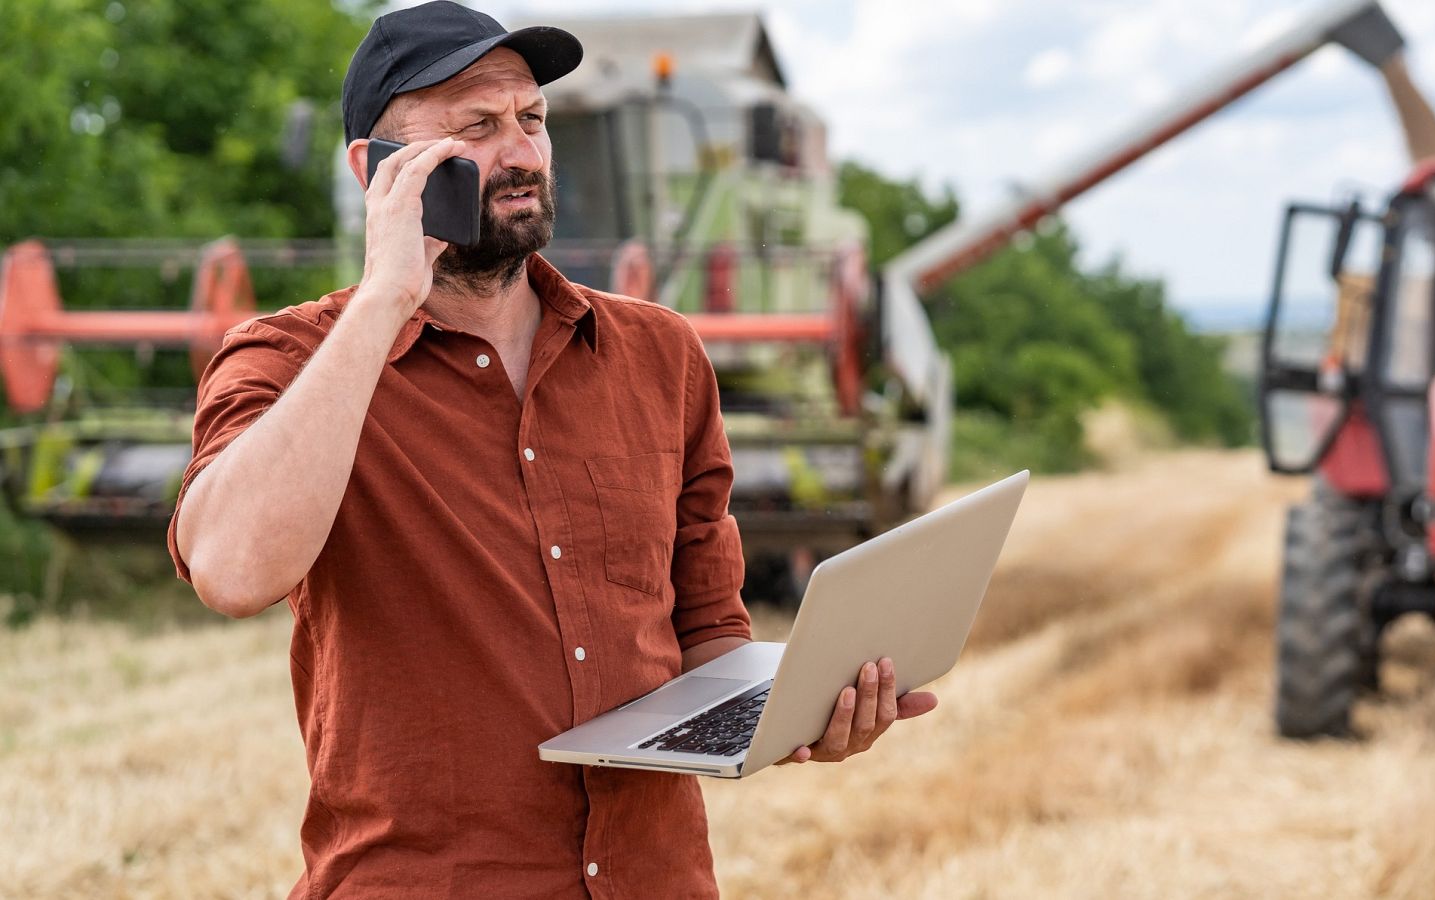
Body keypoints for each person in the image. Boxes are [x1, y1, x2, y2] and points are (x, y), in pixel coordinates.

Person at [166, 3, 934, 896]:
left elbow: (706, 634)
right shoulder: (290, 360)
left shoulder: (661, 355)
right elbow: (230, 570)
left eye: (532, 119)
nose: (523, 151)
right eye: (477, 127)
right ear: (373, 168)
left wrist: (798, 711)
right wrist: (383, 300)